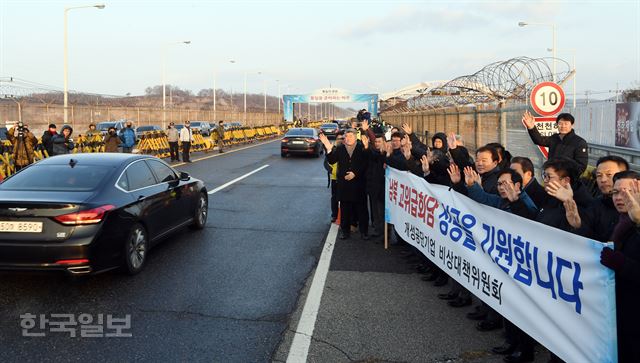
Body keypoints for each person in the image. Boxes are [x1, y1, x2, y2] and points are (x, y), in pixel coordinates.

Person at [599, 171, 640, 362]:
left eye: (627, 192)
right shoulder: (617, 222)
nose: (619, 197)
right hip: (616, 311)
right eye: (615, 192)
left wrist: (622, 264)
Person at [561, 155, 629, 241]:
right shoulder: (595, 204)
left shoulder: (634, 208)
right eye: (599, 175)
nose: (603, 180)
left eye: (609, 174)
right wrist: (578, 225)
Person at [319, 129, 369, 240]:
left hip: (359, 184)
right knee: (345, 210)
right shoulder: (340, 148)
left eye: (351, 136)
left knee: (361, 210)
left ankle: (364, 232)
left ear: (356, 137)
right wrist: (328, 148)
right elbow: (332, 160)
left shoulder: (361, 147)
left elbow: (366, 162)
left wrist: (355, 173)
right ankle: (345, 232)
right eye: (346, 136)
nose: (348, 138)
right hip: (344, 184)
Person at [522, 111, 589, 174]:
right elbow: (539, 140)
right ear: (557, 124)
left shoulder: (579, 142)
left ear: (572, 125)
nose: (563, 126)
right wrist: (531, 127)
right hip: (551, 176)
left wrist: (565, 174)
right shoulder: (554, 138)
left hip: (567, 180)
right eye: (560, 123)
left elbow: (581, 167)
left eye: (566, 123)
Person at [323, 135, 343, 223]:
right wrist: (333, 171)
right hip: (335, 178)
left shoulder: (346, 150)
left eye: (342, 138)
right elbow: (326, 163)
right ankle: (334, 215)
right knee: (334, 198)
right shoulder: (333, 149)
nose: (341, 140)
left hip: (344, 178)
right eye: (339, 139)